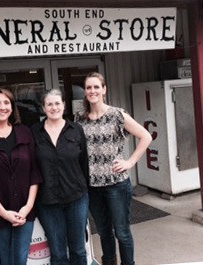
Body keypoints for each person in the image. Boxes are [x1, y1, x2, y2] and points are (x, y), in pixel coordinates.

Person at [75, 72, 152, 265]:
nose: (92, 91)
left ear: (104, 90)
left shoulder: (117, 115)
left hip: (116, 184)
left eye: (96, 87)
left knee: (122, 232)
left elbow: (146, 136)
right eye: (88, 88)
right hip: (92, 186)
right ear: (85, 92)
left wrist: (130, 162)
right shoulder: (80, 118)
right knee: (103, 232)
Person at [0, 88, 42, 265]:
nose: (2, 107)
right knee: (6, 260)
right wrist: (3, 213)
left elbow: (35, 171)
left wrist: (28, 206)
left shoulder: (25, 133)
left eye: (6, 103)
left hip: (25, 210)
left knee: (20, 259)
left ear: (12, 107)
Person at [31, 88, 89, 265]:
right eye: (49, 104)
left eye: (57, 103)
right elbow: (32, 167)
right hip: (48, 202)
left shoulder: (76, 130)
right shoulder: (34, 132)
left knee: (78, 249)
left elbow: (84, 163)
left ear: (63, 105)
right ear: (43, 107)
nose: (54, 107)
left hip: (76, 198)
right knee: (57, 252)